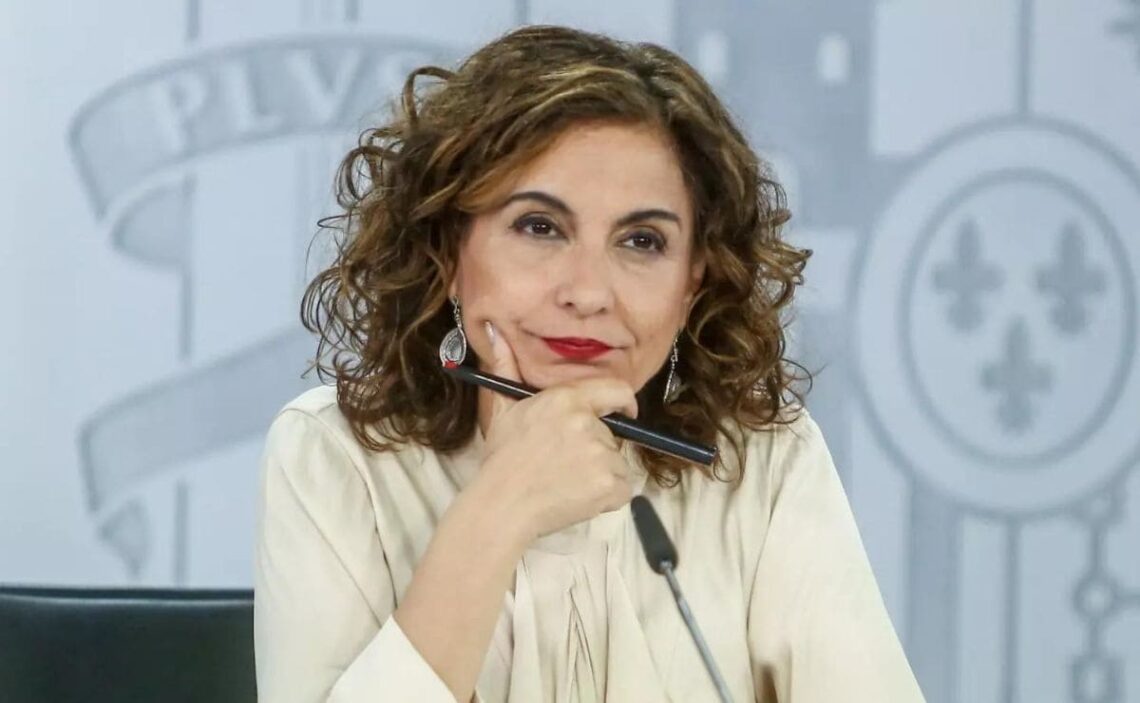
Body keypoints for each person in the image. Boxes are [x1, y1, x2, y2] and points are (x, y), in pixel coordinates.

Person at [254, 24, 925, 703]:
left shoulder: (765, 461)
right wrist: (501, 506)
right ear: (448, 252)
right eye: (540, 227)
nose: (588, 292)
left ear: (692, 284)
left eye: (642, 241)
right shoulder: (333, 457)